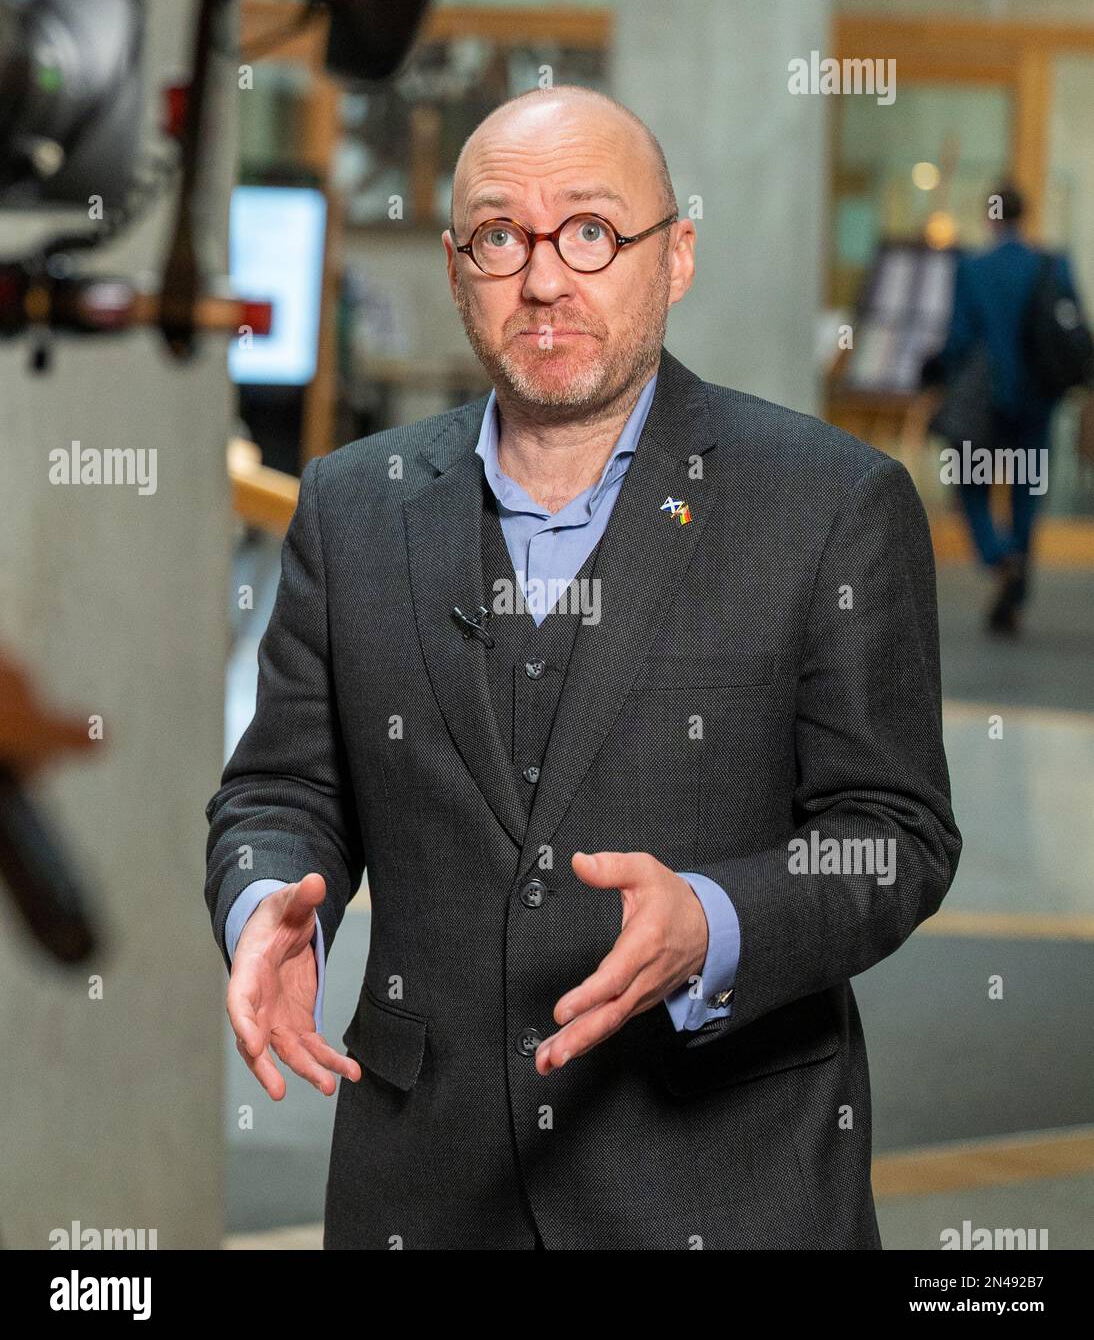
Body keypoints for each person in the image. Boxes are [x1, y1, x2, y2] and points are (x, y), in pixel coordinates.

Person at [205, 85, 962, 1250]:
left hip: (726, 1180)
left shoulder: (829, 505)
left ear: (676, 258)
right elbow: (282, 789)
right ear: (459, 268)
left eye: (591, 232)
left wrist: (713, 920)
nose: (544, 279)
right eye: (501, 236)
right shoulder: (353, 505)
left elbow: (895, 830)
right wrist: (271, 908)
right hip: (427, 1186)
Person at [935, 182, 1082, 634]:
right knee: (1025, 489)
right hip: (1038, 400)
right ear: (1025, 215)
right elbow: (1072, 328)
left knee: (970, 480)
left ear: (991, 216)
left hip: (985, 399)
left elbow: (957, 338)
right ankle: (1016, 587)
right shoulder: (1053, 265)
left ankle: (998, 556)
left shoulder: (972, 267)